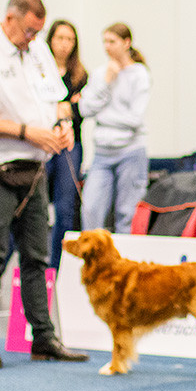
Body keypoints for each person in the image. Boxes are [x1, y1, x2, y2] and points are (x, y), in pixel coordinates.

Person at [0, 0, 89, 369]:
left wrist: (62, 126)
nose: (34, 38)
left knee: (38, 257)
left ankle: (43, 338)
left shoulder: (38, 52)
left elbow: (57, 102)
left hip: (34, 174)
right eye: (30, 30)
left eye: (38, 31)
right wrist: (26, 132)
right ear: (10, 19)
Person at [79, 22, 151, 234]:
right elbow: (84, 108)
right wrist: (106, 82)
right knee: (90, 210)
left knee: (126, 215)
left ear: (126, 43)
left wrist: (102, 116)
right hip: (102, 154)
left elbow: (135, 119)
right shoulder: (101, 74)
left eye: (112, 41)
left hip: (131, 152)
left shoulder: (140, 75)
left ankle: (123, 265)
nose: (107, 47)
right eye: (105, 42)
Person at [45, 19, 88, 270]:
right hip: (43, 144)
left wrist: (67, 108)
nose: (64, 44)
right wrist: (66, 106)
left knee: (65, 207)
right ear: (51, 40)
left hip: (70, 147)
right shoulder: (40, 72)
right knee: (33, 208)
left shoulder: (81, 75)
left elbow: (79, 111)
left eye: (69, 39)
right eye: (60, 38)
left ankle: (57, 269)